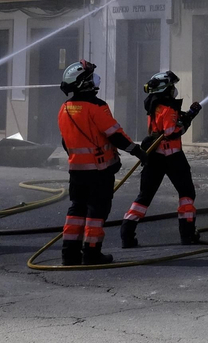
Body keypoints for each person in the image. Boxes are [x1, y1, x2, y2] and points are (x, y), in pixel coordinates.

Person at [56, 60, 145, 266]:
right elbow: (115, 135)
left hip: (76, 170)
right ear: (84, 83)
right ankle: (92, 253)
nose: (96, 80)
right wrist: (138, 152)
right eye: (91, 77)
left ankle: (69, 254)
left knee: (76, 209)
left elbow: (65, 142)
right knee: (97, 211)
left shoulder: (65, 108)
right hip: (100, 171)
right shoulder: (98, 107)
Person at [120, 71, 202, 248]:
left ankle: (127, 233)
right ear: (167, 88)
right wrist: (188, 118)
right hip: (173, 158)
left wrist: (187, 115)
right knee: (187, 193)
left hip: (154, 157)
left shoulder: (154, 105)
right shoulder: (168, 107)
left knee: (144, 197)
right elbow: (172, 132)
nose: (175, 90)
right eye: (173, 86)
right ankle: (187, 234)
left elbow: (165, 126)